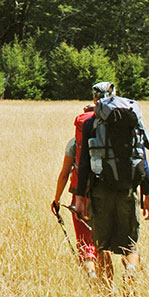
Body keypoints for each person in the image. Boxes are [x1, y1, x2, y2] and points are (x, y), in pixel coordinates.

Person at [72, 81, 149, 290]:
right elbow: (141, 157)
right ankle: (130, 272)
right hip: (128, 189)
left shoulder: (92, 123)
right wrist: (147, 194)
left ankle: (107, 293)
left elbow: (84, 163)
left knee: (102, 246)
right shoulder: (132, 118)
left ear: (94, 98)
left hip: (101, 190)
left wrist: (80, 197)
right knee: (130, 245)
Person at [52, 102, 98, 278]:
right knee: (102, 241)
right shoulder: (111, 143)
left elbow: (64, 174)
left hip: (81, 195)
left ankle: (91, 274)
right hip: (106, 195)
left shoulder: (74, 143)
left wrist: (56, 200)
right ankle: (106, 286)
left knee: (85, 242)